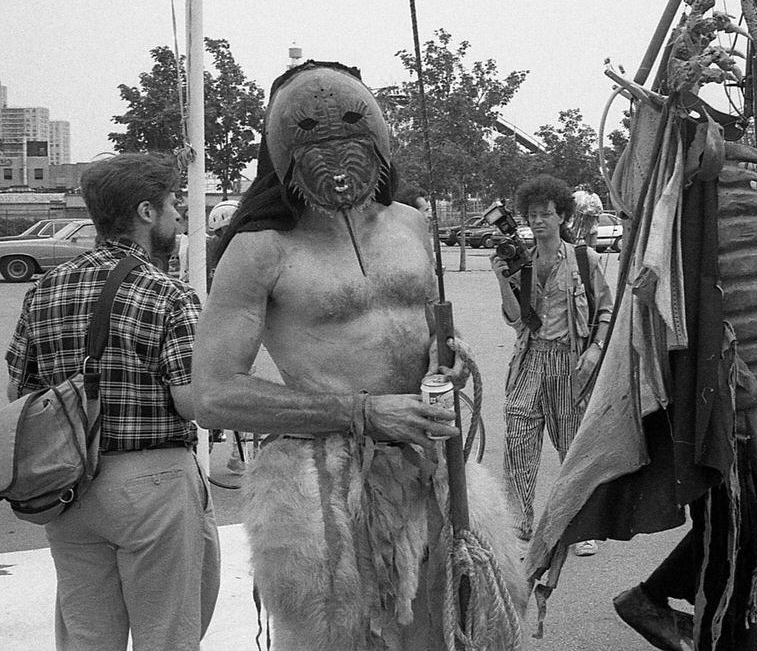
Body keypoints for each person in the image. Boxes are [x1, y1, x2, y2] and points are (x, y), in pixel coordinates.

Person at [193, 61, 523, 650]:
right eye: (312, 132)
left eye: (350, 124)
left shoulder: (412, 224)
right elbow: (212, 394)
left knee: (459, 629)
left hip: (429, 462)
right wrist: (363, 413)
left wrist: (441, 359)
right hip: (324, 488)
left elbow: (425, 335)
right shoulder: (258, 248)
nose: (336, 152)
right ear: (281, 148)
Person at [4, 152, 220, 650]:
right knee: (167, 635)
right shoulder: (167, 293)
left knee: (86, 637)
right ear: (147, 212)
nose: (179, 215)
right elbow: (193, 403)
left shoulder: (45, 289)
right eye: (173, 205)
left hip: (66, 484)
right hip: (153, 485)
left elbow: (19, 393)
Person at [491, 174, 612, 556]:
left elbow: (607, 311)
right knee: (518, 441)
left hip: (570, 362)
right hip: (530, 360)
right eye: (532, 215)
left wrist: (595, 350)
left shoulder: (583, 259)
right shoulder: (522, 263)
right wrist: (501, 280)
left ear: (562, 216)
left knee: (572, 446)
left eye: (546, 214)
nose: (538, 221)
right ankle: (519, 525)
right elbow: (516, 319)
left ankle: (579, 525)